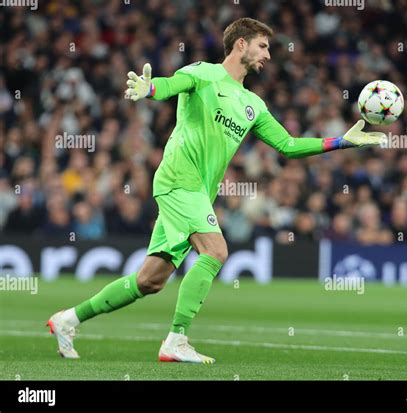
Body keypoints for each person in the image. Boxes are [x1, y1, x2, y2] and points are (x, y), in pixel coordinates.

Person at [47, 17, 385, 364]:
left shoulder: (253, 104)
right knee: (216, 251)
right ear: (241, 44)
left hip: (196, 192)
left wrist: (342, 141)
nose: (268, 54)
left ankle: (67, 320)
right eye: (263, 46)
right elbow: (171, 84)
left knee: (149, 281)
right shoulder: (204, 73)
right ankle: (176, 340)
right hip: (179, 180)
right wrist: (149, 89)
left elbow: (288, 144)